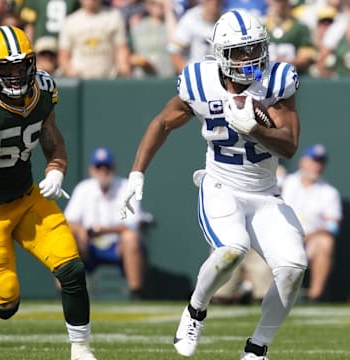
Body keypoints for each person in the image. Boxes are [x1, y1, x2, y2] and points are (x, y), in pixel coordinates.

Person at [120, 9, 307, 360]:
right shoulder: (198, 81)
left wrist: (256, 129)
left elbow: (290, 144)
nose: (251, 58)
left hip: (265, 193)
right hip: (221, 184)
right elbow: (162, 123)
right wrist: (137, 173)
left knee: (294, 267)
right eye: (242, 51)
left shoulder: (278, 80)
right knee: (232, 248)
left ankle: (257, 349)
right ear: (221, 54)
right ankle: (194, 312)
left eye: (256, 48)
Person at [0, 25, 97, 360]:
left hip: (27, 197)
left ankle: (80, 349)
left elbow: (52, 138)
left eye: (21, 65)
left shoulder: (45, 89)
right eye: (5, 67)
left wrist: (57, 168)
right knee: (6, 302)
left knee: (72, 269)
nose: (15, 73)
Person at [64, 147, 146, 300]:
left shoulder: (126, 187)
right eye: (99, 167)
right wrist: (80, 230)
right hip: (88, 246)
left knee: (131, 238)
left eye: (107, 167)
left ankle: (136, 293)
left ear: (113, 168)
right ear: (92, 170)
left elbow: (134, 224)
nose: (103, 171)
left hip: (117, 246)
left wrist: (104, 231)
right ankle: (64, 294)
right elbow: (68, 220)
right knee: (64, 238)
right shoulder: (83, 188)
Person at [281, 144, 342, 302]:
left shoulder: (329, 192)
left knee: (325, 242)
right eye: (314, 161)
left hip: (309, 243)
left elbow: (332, 226)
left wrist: (308, 236)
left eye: (321, 162)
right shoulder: (284, 183)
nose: (317, 166)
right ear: (303, 162)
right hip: (281, 237)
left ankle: (315, 297)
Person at [57, 0, 131, 78]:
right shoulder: (70, 21)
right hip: (80, 80)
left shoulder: (114, 17)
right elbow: (64, 55)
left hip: (109, 78)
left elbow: (121, 48)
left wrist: (123, 68)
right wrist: (70, 71)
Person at [167, 0, 224, 74]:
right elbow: (174, 51)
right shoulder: (191, 18)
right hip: (197, 75)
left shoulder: (227, 19)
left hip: (220, 77)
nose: (214, 2)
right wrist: (188, 76)